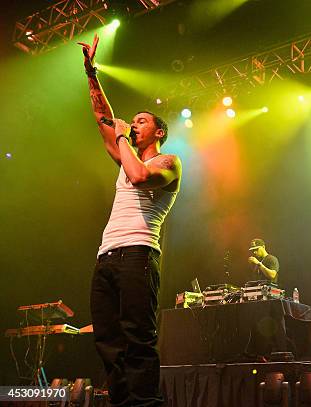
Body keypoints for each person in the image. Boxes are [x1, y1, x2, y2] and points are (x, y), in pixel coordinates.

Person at [78, 34, 181, 406]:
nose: (133, 126)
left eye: (141, 122)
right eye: (132, 123)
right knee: (107, 340)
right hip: (107, 256)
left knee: (138, 338)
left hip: (138, 255)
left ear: (159, 132)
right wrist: (92, 73)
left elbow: (138, 176)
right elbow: (101, 116)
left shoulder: (168, 163)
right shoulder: (126, 154)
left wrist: (122, 137)